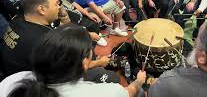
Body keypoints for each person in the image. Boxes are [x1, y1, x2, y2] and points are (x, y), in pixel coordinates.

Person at [0, 0, 114, 82]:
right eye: (56, 4)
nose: (59, 7)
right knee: (108, 76)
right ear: (42, 9)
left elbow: (60, 31)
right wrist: (99, 63)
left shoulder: (19, 20)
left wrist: (64, 16)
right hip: (37, 84)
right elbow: (69, 69)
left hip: (13, 77)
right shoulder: (44, 41)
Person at [1, 24, 147, 97]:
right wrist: (139, 80)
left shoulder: (14, 81)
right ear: (84, 63)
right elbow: (130, 91)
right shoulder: (106, 92)